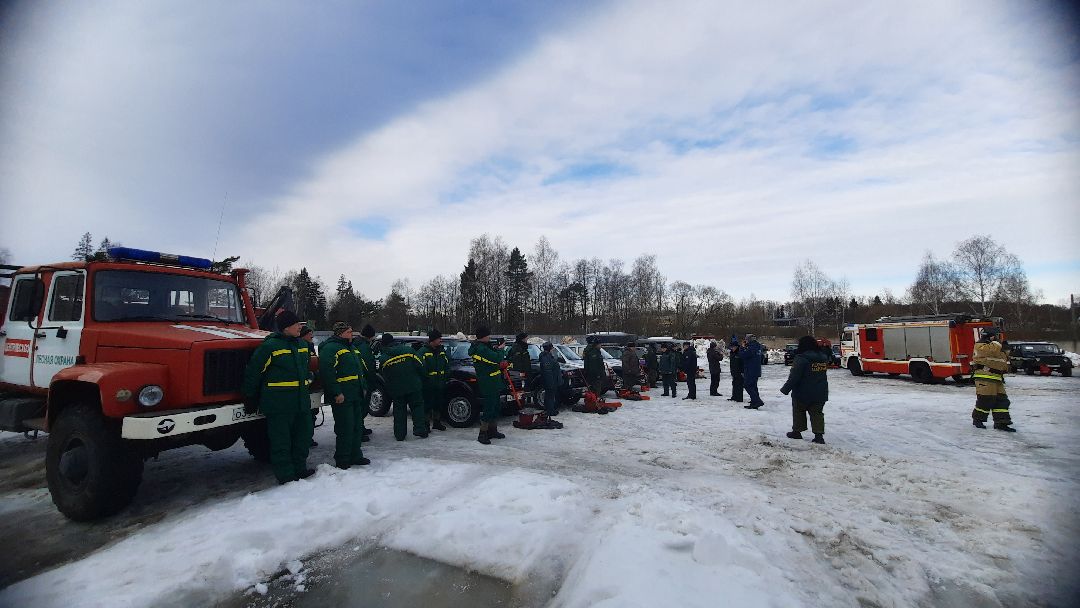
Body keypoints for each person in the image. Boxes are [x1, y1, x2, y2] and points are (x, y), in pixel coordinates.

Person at [242, 310, 315, 485]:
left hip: (301, 402)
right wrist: (249, 396)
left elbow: (306, 371)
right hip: (279, 404)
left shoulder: (302, 346)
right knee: (281, 441)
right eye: (297, 324)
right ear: (286, 327)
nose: (300, 327)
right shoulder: (270, 347)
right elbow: (254, 373)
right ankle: (286, 475)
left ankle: (300, 468)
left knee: (303, 437)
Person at [318, 322, 371, 468]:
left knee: (356, 427)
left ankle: (356, 455)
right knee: (345, 428)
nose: (351, 334)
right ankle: (343, 459)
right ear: (340, 333)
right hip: (343, 396)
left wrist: (363, 387)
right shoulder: (330, 348)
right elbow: (327, 372)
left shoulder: (351, 348)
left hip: (355, 394)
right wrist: (336, 392)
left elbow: (359, 371)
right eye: (348, 332)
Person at [379, 333, 429, 440]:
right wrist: (423, 378)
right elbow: (421, 365)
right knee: (417, 407)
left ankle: (400, 434)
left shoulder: (383, 358)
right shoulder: (408, 351)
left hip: (397, 389)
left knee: (399, 411)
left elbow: (384, 374)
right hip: (413, 385)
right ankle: (420, 429)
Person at [780, 336, 829, 444]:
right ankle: (818, 435)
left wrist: (785, 389)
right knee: (817, 413)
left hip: (803, 391)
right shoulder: (823, 357)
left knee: (798, 410)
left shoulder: (801, 358)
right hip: (820, 391)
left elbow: (794, 376)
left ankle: (797, 431)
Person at [469, 326, 508, 444]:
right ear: (483, 337)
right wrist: (501, 349)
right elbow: (496, 359)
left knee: (495, 406)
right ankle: (483, 433)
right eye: (488, 335)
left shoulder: (485, 347)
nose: (489, 337)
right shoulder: (481, 349)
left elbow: (492, 356)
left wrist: (496, 348)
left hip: (494, 382)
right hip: (488, 382)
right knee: (489, 407)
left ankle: (492, 430)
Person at [971, 327, 1014, 431]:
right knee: (985, 399)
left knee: (1002, 401)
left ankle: (1001, 423)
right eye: (997, 335)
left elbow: (1001, 360)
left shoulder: (995, 346)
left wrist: (1007, 350)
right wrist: (997, 343)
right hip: (984, 376)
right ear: (991, 336)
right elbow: (990, 351)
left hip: (997, 378)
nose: (999, 338)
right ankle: (978, 420)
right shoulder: (980, 346)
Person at [418, 329, 449, 431]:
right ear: (433, 340)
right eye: (439, 338)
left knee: (438, 404)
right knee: (427, 405)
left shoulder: (442, 351)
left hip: (440, 384)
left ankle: (437, 422)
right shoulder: (423, 352)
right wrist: (426, 381)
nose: (441, 340)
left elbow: (447, 364)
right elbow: (420, 368)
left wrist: (445, 378)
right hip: (428, 385)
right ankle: (425, 424)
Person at [351, 324, 378, 440]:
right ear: (370, 336)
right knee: (361, 407)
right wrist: (373, 380)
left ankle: (360, 427)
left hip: (358, 380)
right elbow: (367, 366)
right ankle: (358, 431)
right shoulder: (364, 347)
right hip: (364, 381)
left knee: (360, 406)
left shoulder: (356, 344)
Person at [299, 325, 320, 447]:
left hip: (311, 385)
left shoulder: (310, 346)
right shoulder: (302, 347)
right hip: (305, 387)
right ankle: (305, 438)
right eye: (309, 333)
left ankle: (308, 437)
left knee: (312, 413)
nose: (311, 336)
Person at [738, 334, 764, 409]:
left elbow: (742, 355)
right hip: (756, 369)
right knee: (754, 386)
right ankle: (754, 401)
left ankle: (757, 401)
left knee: (747, 385)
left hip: (750, 370)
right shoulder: (758, 346)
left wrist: (742, 348)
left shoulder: (751, 348)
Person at [538, 342, 562, 416]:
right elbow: (547, 371)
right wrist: (550, 382)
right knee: (549, 396)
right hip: (550, 380)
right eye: (552, 348)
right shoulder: (545, 357)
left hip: (553, 379)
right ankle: (550, 411)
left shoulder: (549, 356)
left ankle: (549, 409)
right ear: (549, 349)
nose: (553, 349)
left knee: (550, 395)